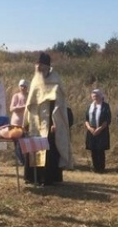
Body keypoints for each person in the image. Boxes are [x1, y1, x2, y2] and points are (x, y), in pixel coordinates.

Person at [23, 52, 72, 186]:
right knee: (34, 147)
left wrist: (55, 122)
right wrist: (26, 122)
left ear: (47, 66)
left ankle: (47, 178)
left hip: (49, 121)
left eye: (42, 66)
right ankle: (32, 177)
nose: (39, 68)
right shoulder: (35, 80)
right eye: (37, 65)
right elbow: (29, 104)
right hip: (35, 121)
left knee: (48, 150)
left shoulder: (55, 80)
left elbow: (59, 105)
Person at [85, 89, 111, 173]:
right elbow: (86, 119)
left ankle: (101, 168)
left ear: (100, 96)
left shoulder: (105, 106)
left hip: (101, 131)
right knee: (93, 149)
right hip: (91, 130)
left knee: (100, 149)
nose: (94, 98)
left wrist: (100, 128)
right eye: (93, 96)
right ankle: (95, 167)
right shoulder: (90, 106)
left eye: (96, 96)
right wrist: (89, 128)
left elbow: (107, 119)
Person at [9, 78, 29, 166]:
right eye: (21, 86)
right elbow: (12, 108)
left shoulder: (29, 96)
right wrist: (24, 107)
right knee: (17, 143)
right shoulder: (16, 96)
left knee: (23, 142)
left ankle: (24, 160)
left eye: (25, 86)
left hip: (25, 123)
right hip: (16, 123)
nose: (23, 88)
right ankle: (21, 160)